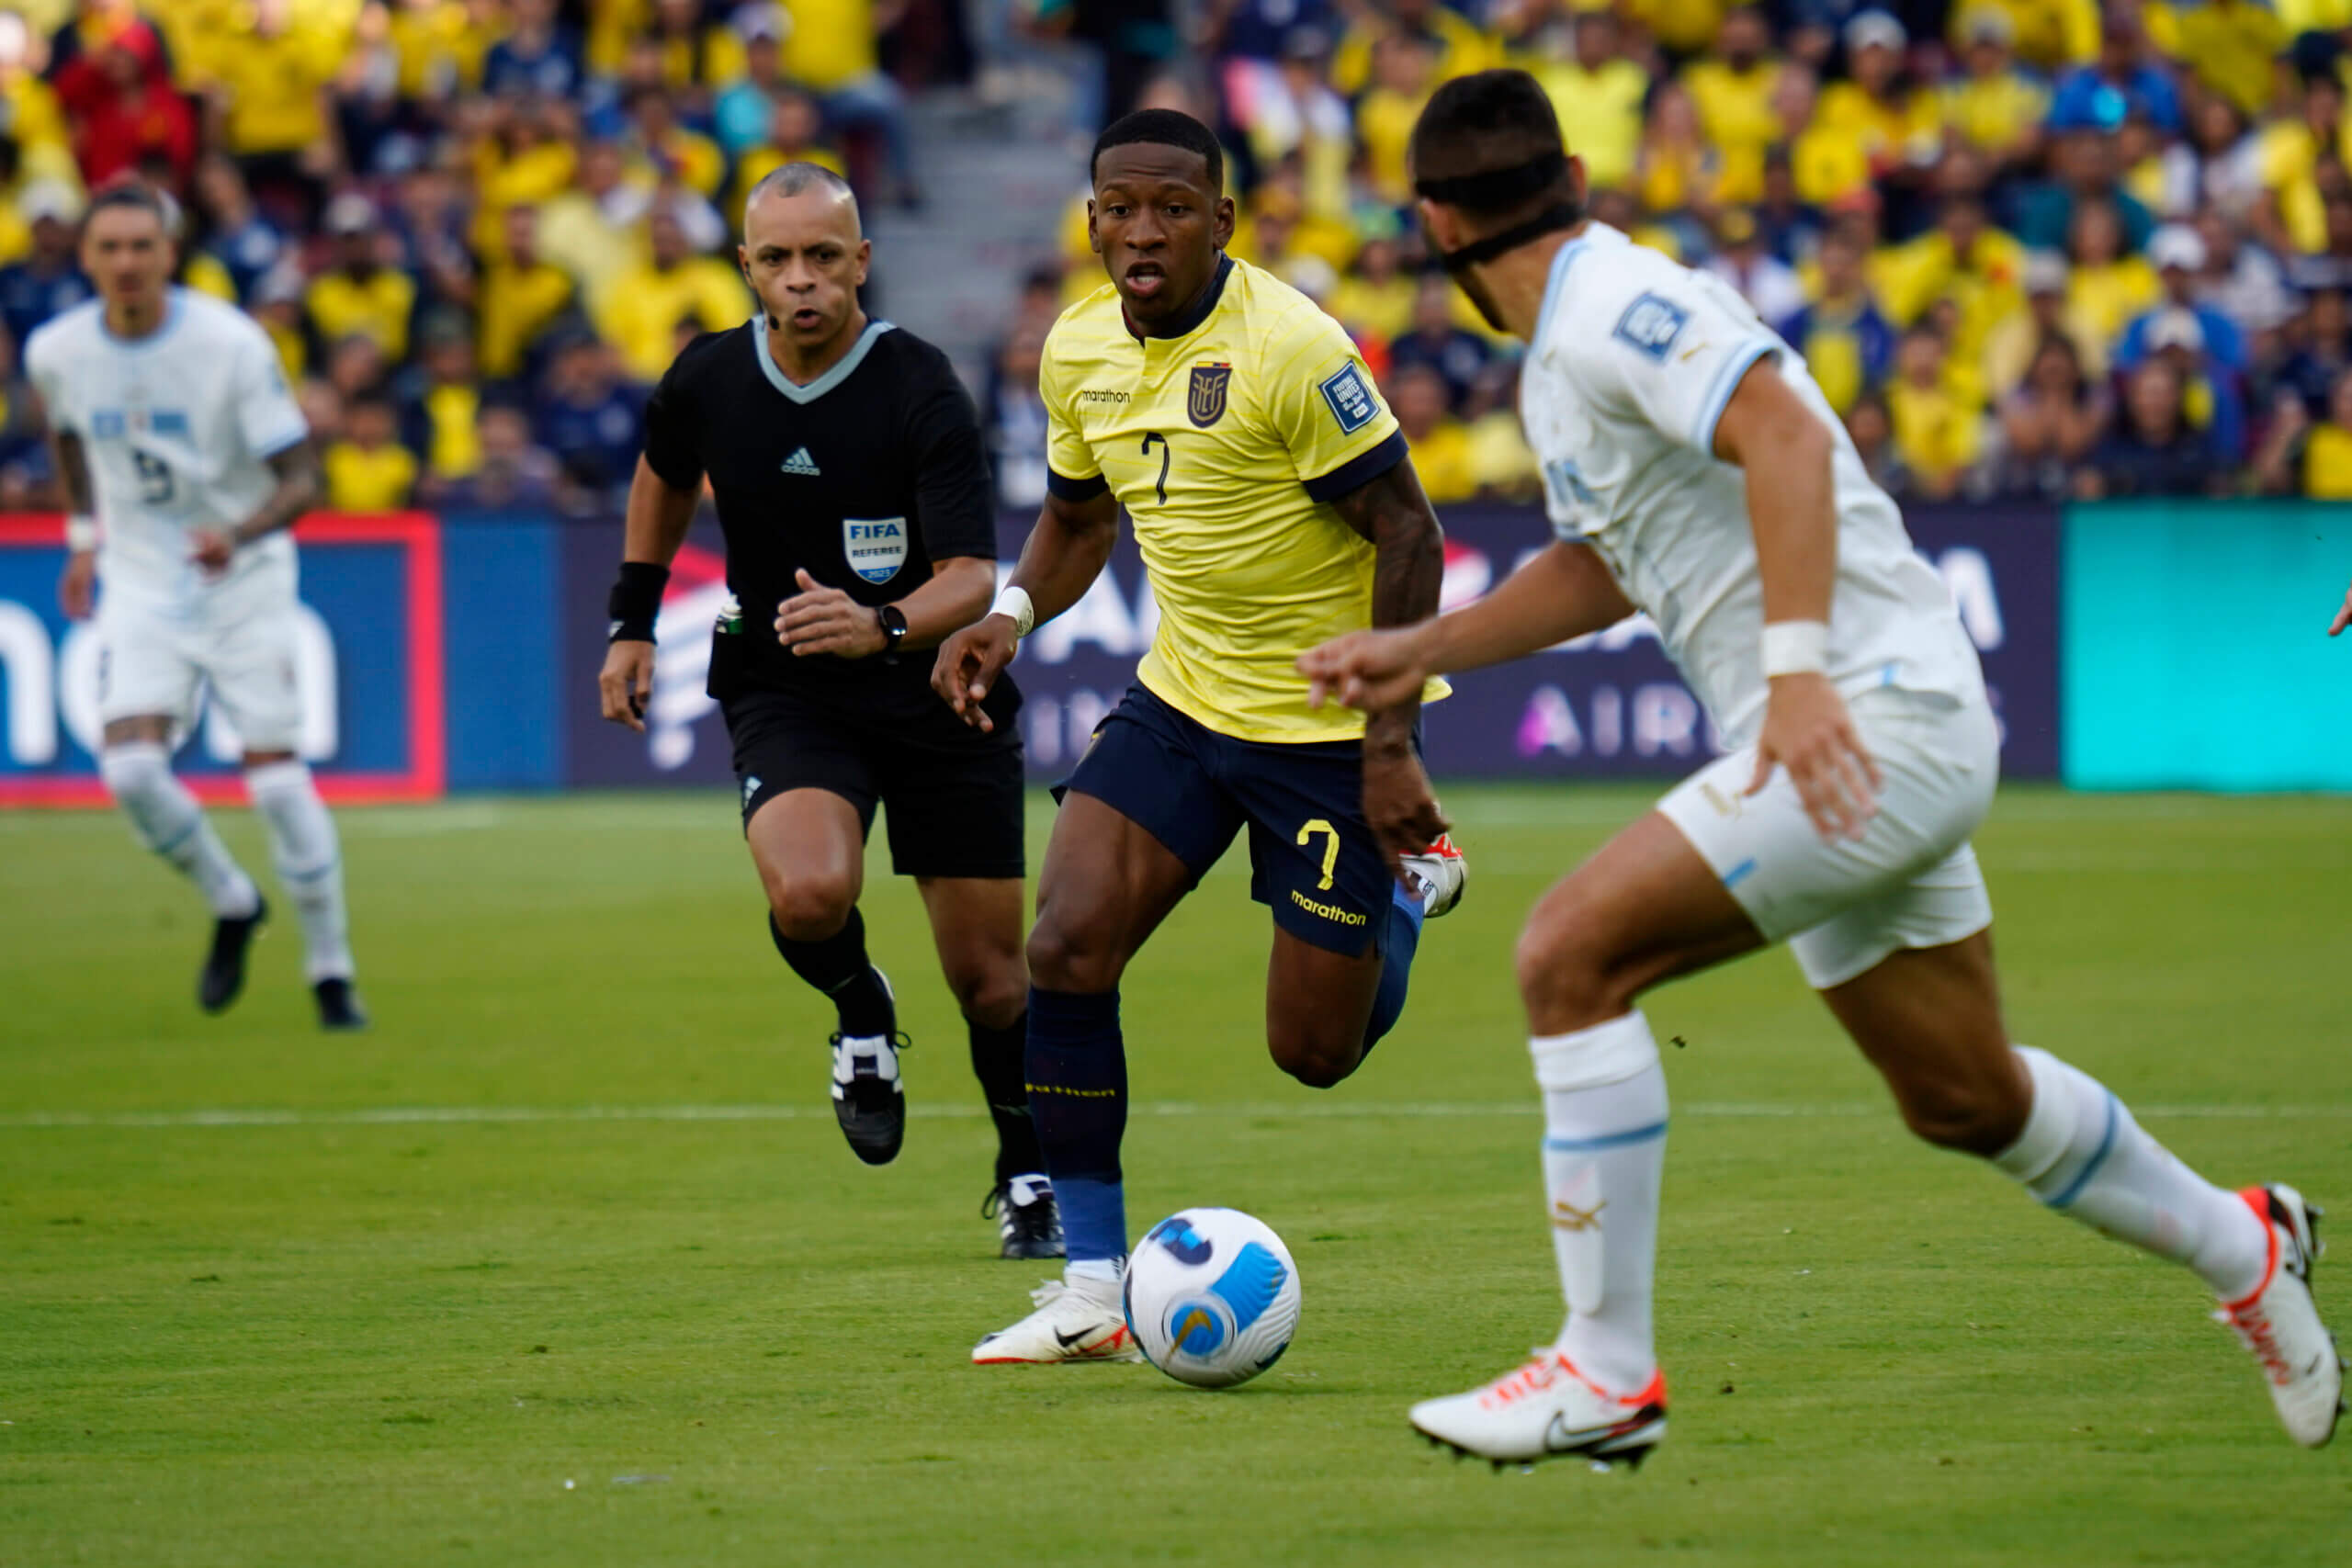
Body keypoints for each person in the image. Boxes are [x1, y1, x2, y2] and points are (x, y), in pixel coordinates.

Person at [1297, 70, 2341, 1466]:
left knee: (1566, 954)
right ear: (1570, 179)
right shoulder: (1568, 343)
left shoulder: (1610, 308)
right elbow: (1611, 567)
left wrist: (1794, 675)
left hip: (1870, 714)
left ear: (1433, 220)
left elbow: (1781, 428)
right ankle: (2249, 1243)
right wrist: (1428, 642)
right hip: (1861, 735)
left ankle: (1605, 1370)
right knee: (1965, 1093)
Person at [932, 108, 1466, 1365]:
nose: (1142, 229)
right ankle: (1091, 1285)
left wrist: (1389, 746)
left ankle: (1400, 875)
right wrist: (1008, 614)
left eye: (1172, 205)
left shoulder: (1290, 345)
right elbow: (1076, 519)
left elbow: (1411, 532)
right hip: (1181, 701)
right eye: (1119, 206)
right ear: (1092, 221)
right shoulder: (1075, 350)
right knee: (1063, 945)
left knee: (1314, 1050)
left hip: (1325, 728)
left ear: (1222, 221)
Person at [594, 164, 1059, 1260]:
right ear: (747, 268)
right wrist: (631, 619)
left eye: (823, 257)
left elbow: (969, 576)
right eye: (777, 259)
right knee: (808, 895)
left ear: (861, 261)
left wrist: (886, 626)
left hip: (940, 685)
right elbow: (663, 472)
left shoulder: (920, 385)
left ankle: (1027, 1170)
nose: (801, 280)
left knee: (991, 979)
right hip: (787, 678)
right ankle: (859, 1009)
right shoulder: (708, 379)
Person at [27, 184, 364, 1029]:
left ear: (170, 253)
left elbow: (303, 479)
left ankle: (330, 969)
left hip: (244, 579)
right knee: (131, 768)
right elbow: (68, 435)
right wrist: (80, 537)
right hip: (141, 578)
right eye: (111, 248)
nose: (128, 263)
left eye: (143, 246)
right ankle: (231, 899)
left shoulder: (230, 345)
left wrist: (237, 534)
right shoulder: (58, 351)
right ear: (88, 257)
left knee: (280, 786)